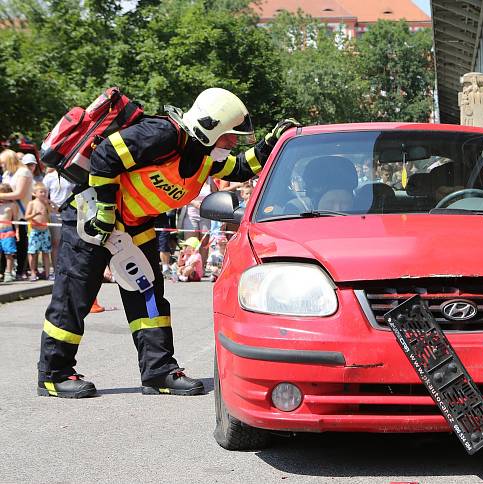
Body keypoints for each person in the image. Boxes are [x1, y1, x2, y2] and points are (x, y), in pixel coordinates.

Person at [36, 87, 300, 398]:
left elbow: (241, 168)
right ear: (211, 126)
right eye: (229, 135)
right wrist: (106, 212)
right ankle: (54, 374)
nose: (232, 142)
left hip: (135, 227)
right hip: (91, 219)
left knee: (150, 300)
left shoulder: (204, 156)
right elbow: (106, 155)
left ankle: (159, 372)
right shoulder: (162, 134)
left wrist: (271, 142)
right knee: (75, 297)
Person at [0, 149, 33, 279]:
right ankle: (4, 272)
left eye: (3, 163)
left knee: (20, 243)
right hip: (6, 214)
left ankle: (20, 271)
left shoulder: (23, 172)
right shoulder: (8, 173)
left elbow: (19, 193)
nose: (2, 166)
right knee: (4, 244)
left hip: (21, 213)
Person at [42, 167, 75, 272]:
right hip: (54, 213)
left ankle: (69, 268)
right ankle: (57, 269)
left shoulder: (72, 174)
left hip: (70, 212)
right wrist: (51, 207)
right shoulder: (49, 177)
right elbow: (42, 195)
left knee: (70, 241)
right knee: (56, 242)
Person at [24, 182, 52, 281]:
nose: (44, 194)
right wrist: (34, 214)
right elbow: (26, 217)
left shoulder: (45, 203)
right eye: (41, 192)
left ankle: (48, 274)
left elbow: (50, 212)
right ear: (34, 193)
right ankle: (32, 273)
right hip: (35, 231)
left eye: (45, 192)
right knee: (32, 252)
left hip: (45, 231)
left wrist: (48, 204)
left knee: (46, 253)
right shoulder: (32, 203)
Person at [0, 183, 20, 283]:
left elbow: (15, 219)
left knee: (9, 253)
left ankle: (8, 272)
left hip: (7, 231)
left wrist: (17, 231)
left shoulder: (12, 205)